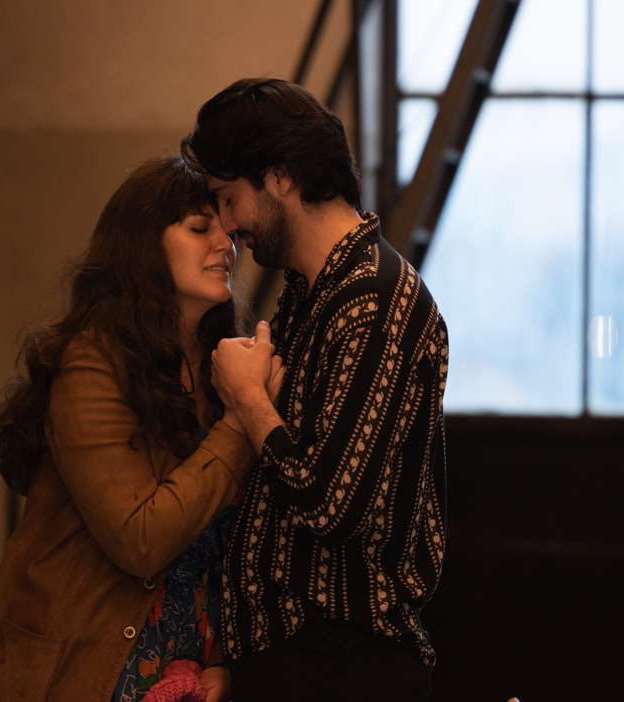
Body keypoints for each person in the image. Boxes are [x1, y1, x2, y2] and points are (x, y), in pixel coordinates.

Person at [0, 156, 281, 702]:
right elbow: (141, 539)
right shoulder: (92, 362)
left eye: (227, 231)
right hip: (81, 670)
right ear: (143, 247)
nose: (226, 245)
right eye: (200, 228)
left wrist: (220, 657)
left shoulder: (214, 365)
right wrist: (241, 416)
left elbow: (226, 543)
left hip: (178, 668)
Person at [181, 78, 450, 702]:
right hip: (304, 661)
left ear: (279, 178)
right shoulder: (316, 290)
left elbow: (331, 504)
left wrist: (248, 399)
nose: (228, 226)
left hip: (341, 664)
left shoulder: (375, 299)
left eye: (228, 199)